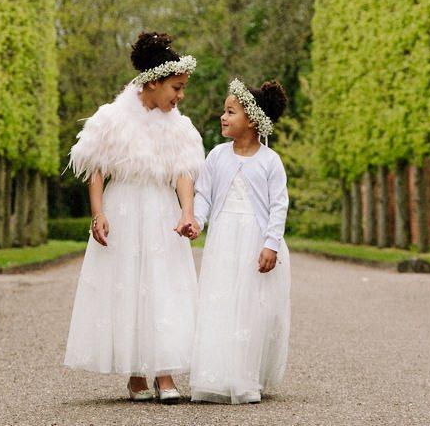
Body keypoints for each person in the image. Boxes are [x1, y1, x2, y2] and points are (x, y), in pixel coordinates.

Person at [63, 32, 204, 404]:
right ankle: (137, 373)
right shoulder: (112, 118)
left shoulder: (179, 126)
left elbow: (184, 172)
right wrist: (99, 214)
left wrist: (187, 211)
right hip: (123, 205)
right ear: (153, 82)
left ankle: (165, 371)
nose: (180, 96)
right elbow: (95, 168)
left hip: (160, 210)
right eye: (176, 87)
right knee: (127, 284)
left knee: (162, 284)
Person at [183, 78, 291, 404]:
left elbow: (278, 205)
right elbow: (203, 194)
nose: (223, 117)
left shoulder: (270, 161)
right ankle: (217, 374)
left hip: (255, 242)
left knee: (252, 309)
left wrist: (271, 243)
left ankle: (247, 376)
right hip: (224, 241)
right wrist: (196, 221)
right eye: (224, 111)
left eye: (230, 112)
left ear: (252, 120)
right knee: (221, 302)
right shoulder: (216, 156)